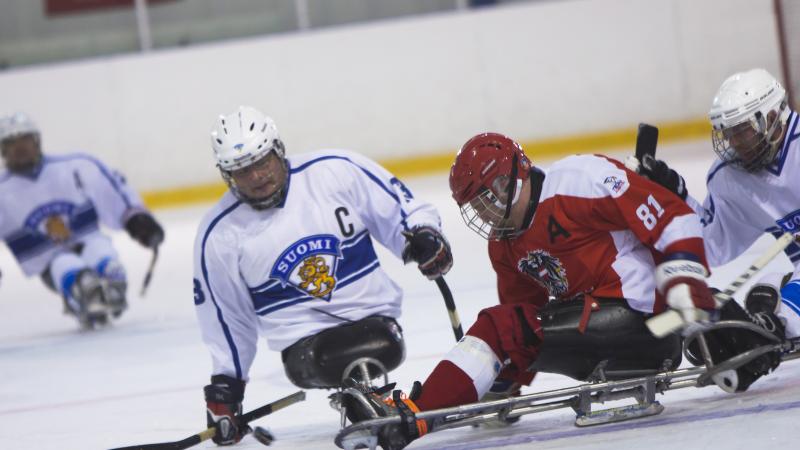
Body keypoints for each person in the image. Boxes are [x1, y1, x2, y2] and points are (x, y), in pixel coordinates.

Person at [341, 132, 787, 450]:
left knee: (496, 325)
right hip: (600, 335)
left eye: (488, 196)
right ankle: (423, 411)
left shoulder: (579, 179)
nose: (485, 212)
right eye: (475, 205)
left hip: (643, 320)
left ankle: (412, 414)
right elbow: (521, 321)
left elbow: (672, 215)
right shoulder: (503, 244)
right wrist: (500, 383)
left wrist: (685, 279)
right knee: (503, 325)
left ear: (512, 176)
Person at [193, 106, 453, 446]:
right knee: (330, 358)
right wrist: (226, 390)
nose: (256, 176)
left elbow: (402, 210)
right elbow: (228, 320)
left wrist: (425, 236)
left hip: (376, 324)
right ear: (227, 175)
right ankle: (369, 405)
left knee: (379, 344)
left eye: (262, 162)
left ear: (278, 150)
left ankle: (372, 404)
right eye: (242, 170)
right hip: (306, 348)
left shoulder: (334, 171)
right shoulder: (220, 234)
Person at [635, 68, 800, 359]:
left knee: (779, 316)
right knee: (764, 301)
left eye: (742, 130)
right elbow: (712, 245)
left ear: (773, 117)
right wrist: (675, 195)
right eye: (729, 133)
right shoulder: (731, 178)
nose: (734, 143)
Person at [0, 112, 164, 328]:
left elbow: (114, 189)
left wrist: (136, 219)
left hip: (90, 242)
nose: (20, 147)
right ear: (3, 150)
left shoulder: (75, 166)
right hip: (50, 262)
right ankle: (84, 292)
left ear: (37, 141)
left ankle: (112, 286)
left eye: (25, 140)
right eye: (12, 143)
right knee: (67, 267)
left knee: (104, 258)